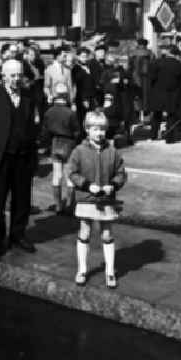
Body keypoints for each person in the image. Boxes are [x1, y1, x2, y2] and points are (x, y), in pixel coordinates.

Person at [0, 59, 37, 257]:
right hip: (0, 158)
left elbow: (33, 127)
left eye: (19, 75)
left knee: (22, 200)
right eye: (12, 75)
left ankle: (18, 235)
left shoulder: (29, 97)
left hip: (23, 157)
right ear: (3, 76)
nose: (16, 79)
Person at [66, 110, 127, 288]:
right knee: (84, 231)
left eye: (102, 129)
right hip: (86, 198)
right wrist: (86, 185)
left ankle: (109, 271)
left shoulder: (113, 151)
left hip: (106, 200)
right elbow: (71, 172)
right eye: (95, 129)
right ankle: (82, 269)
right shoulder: (78, 151)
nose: (99, 133)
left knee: (107, 233)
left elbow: (121, 173)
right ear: (87, 130)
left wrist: (113, 185)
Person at [40, 82, 79, 215]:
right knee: (69, 176)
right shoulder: (70, 113)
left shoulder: (49, 112)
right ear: (66, 95)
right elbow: (77, 131)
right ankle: (70, 205)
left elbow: (45, 131)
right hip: (69, 144)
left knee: (57, 175)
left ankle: (58, 205)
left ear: (55, 94)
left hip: (55, 143)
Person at [148, 44, 181, 141]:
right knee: (171, 115)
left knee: (156, 114)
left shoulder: (157, 63)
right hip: (173, 94)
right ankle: (169, 137)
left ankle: (153, 135)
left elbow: (151, 78)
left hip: (157, 93)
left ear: (168, 53)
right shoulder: (180, 65)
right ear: (176, 54)